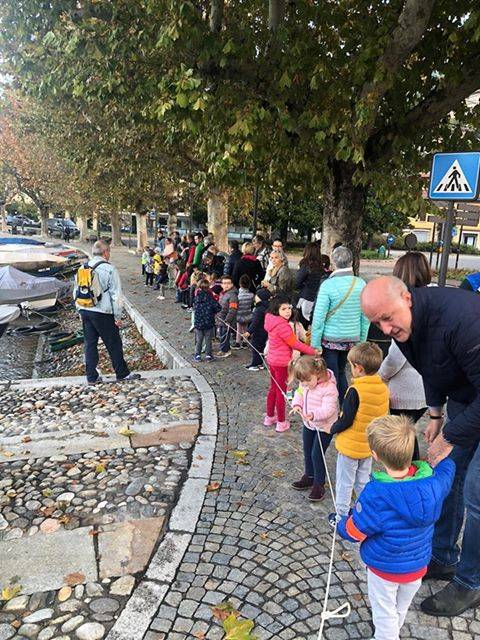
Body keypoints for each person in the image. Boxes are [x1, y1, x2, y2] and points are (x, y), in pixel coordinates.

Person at [361, 275, 480, 616]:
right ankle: (442, 556)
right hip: (465, 400)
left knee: (476, 492)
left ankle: (471, 583)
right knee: (450, 475)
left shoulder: (462, 320)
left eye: (387, 317)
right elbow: (430, 368)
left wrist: (449, 436)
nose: (384, 329)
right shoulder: (408, 327)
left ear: (407, 298)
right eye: (376, 323)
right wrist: (437, 415)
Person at [337, 415, 455, 640]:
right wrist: (441, 452)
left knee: (383, 615)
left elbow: (354, 531)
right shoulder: (435, 483)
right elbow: (447, 468)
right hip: (418, 565)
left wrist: (339, 524)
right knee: (398, 610)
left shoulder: (376, 494)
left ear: (375, 456)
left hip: (385, 568)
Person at [328, 342, 389, 524]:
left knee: (345, 482)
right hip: (368, 446)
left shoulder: (355, 390)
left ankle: (341, 516)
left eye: (351, 365)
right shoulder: (384, 389)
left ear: (359, 368)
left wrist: (332, 428)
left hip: (351, 446)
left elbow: (346, 419)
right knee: (362, 480)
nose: (350, 368)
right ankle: (362, 512)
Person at [378, 252, 432, 460]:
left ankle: (409, 481)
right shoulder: (432, 300)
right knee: (408, 435)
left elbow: (397, 355)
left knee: (402, 441)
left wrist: (380, 375)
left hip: (406, 391)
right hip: (426, 387)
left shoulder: (406, 307)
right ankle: (413, 477)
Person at [74, 240, 140, 384]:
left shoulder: (83, 268)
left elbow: (76, 292)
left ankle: (91, 376)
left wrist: (80, 309)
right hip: (103, 312)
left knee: (90, 343)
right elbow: (116, 295)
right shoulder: (109, 269)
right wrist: (118, 316)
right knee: (113, 343)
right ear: (105, 252)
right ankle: (122, 373)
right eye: (109, 251)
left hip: (85, 309)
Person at [311, 246, 370, 400]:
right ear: (351, 261)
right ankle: (344, 407)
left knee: (331, 374)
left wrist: (315, 344)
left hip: (330, 338)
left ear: (333, 262)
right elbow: (365, 316)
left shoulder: (328, 285)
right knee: (342, 371)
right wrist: (361, 340)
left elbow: (319, 317)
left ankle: (335, 408)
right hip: (352, 338)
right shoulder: (361, 284)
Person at [263, 295, 318, 433]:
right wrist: (313, 351)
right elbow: (295, 343)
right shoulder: (283, 325)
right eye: (284, 309)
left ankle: (270, 417)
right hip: (282, 363)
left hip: (272, 360)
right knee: (281, 392)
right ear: (277, 310)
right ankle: (281, 422)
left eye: (289, 308)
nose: (288, 311)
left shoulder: (271, 320)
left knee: (273, 389)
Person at [290, 356, 339, 502]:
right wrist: (297, 405)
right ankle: (309, 476)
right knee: (307, 449)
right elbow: (299, 393)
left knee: (317, 454)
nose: (305, 384)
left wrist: (314, 414)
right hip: (309, 424)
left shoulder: (329, 387)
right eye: (301, 382)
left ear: (317, 373)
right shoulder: (305, 384)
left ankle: (319, 483)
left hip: (324, 427)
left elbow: (329, 409)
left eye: (307, 381)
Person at [296, 242, 326, 328]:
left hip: (305, 299)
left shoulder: (306, 266)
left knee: (302, 324)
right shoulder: (321, 269)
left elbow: (297, 283)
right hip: (316, 299)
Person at [193, 279, 221, 362]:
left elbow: (193, 306)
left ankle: (197, 355)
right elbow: (218, 307)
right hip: (209, 322)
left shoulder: (197, 298)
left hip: (198, 323)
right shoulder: (210, 298)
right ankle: (208, 355)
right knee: (208, 340)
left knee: (199, 339)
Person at [243, 288, 271, 371]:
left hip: (259, 331)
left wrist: (248, 332)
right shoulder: (269, 307)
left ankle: (255, 364)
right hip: (266, 331)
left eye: (257, 296)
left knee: (256, 347)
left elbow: (255, 322)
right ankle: (260, 363)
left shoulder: (259, 309)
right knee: (262, 347)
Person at [215, 275, 238, 358]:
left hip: (226, 320)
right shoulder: (223, 293)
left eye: (228, 283)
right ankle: (225, 348)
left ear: (232, 284)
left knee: (225, 335)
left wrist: (228, 319)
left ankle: (225, 350)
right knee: (222, 334)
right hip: (221, 318)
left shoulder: (233, 295)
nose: (226, 285)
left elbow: (233, 309)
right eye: (224, 283)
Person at [232, 274, 254, 350]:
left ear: (240, 284)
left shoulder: (237, 295)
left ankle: (238, 342)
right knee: (246, 328)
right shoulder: (251, 295)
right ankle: (245, 342)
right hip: (247, 314)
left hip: (239, 314)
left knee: (239, 328)